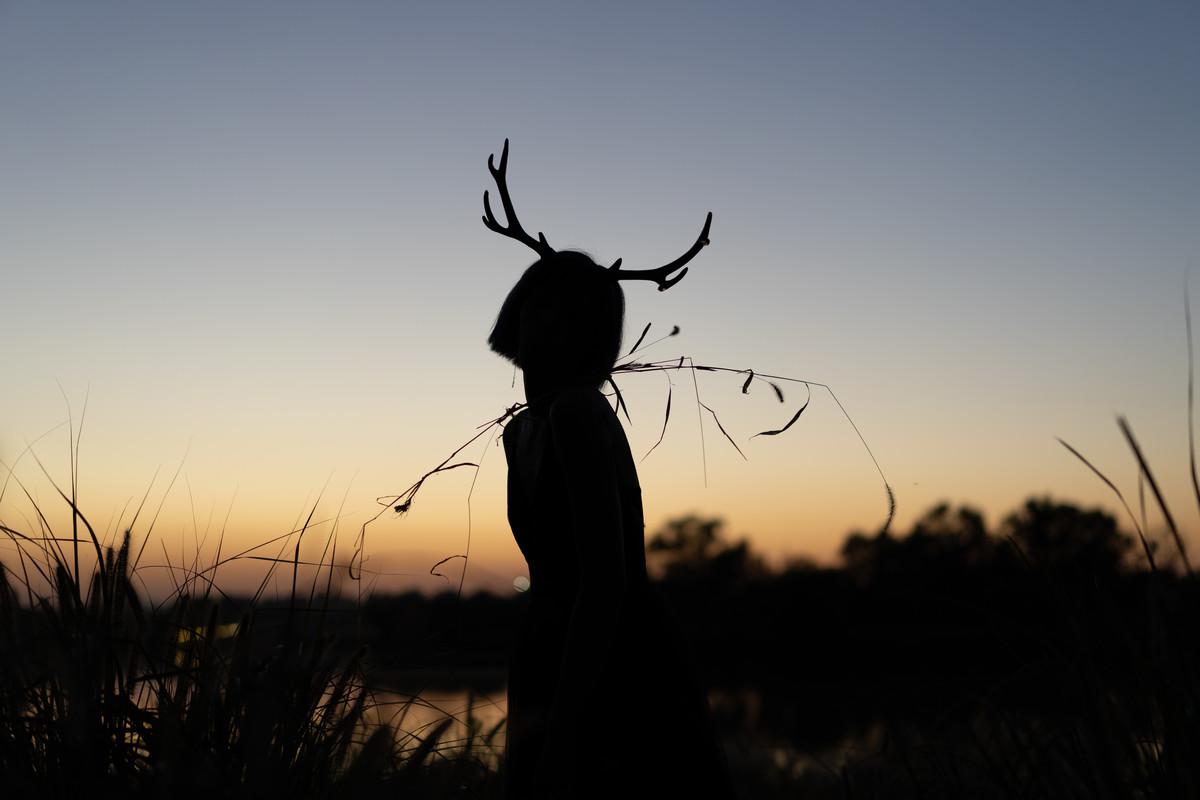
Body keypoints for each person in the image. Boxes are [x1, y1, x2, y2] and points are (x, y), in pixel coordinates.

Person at [481, 140, 738, 799]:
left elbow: (605, 585)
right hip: (550, 653)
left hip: (613, 666)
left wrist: (566, 729)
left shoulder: (575, 416)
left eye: (549, 307)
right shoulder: (521, 432)